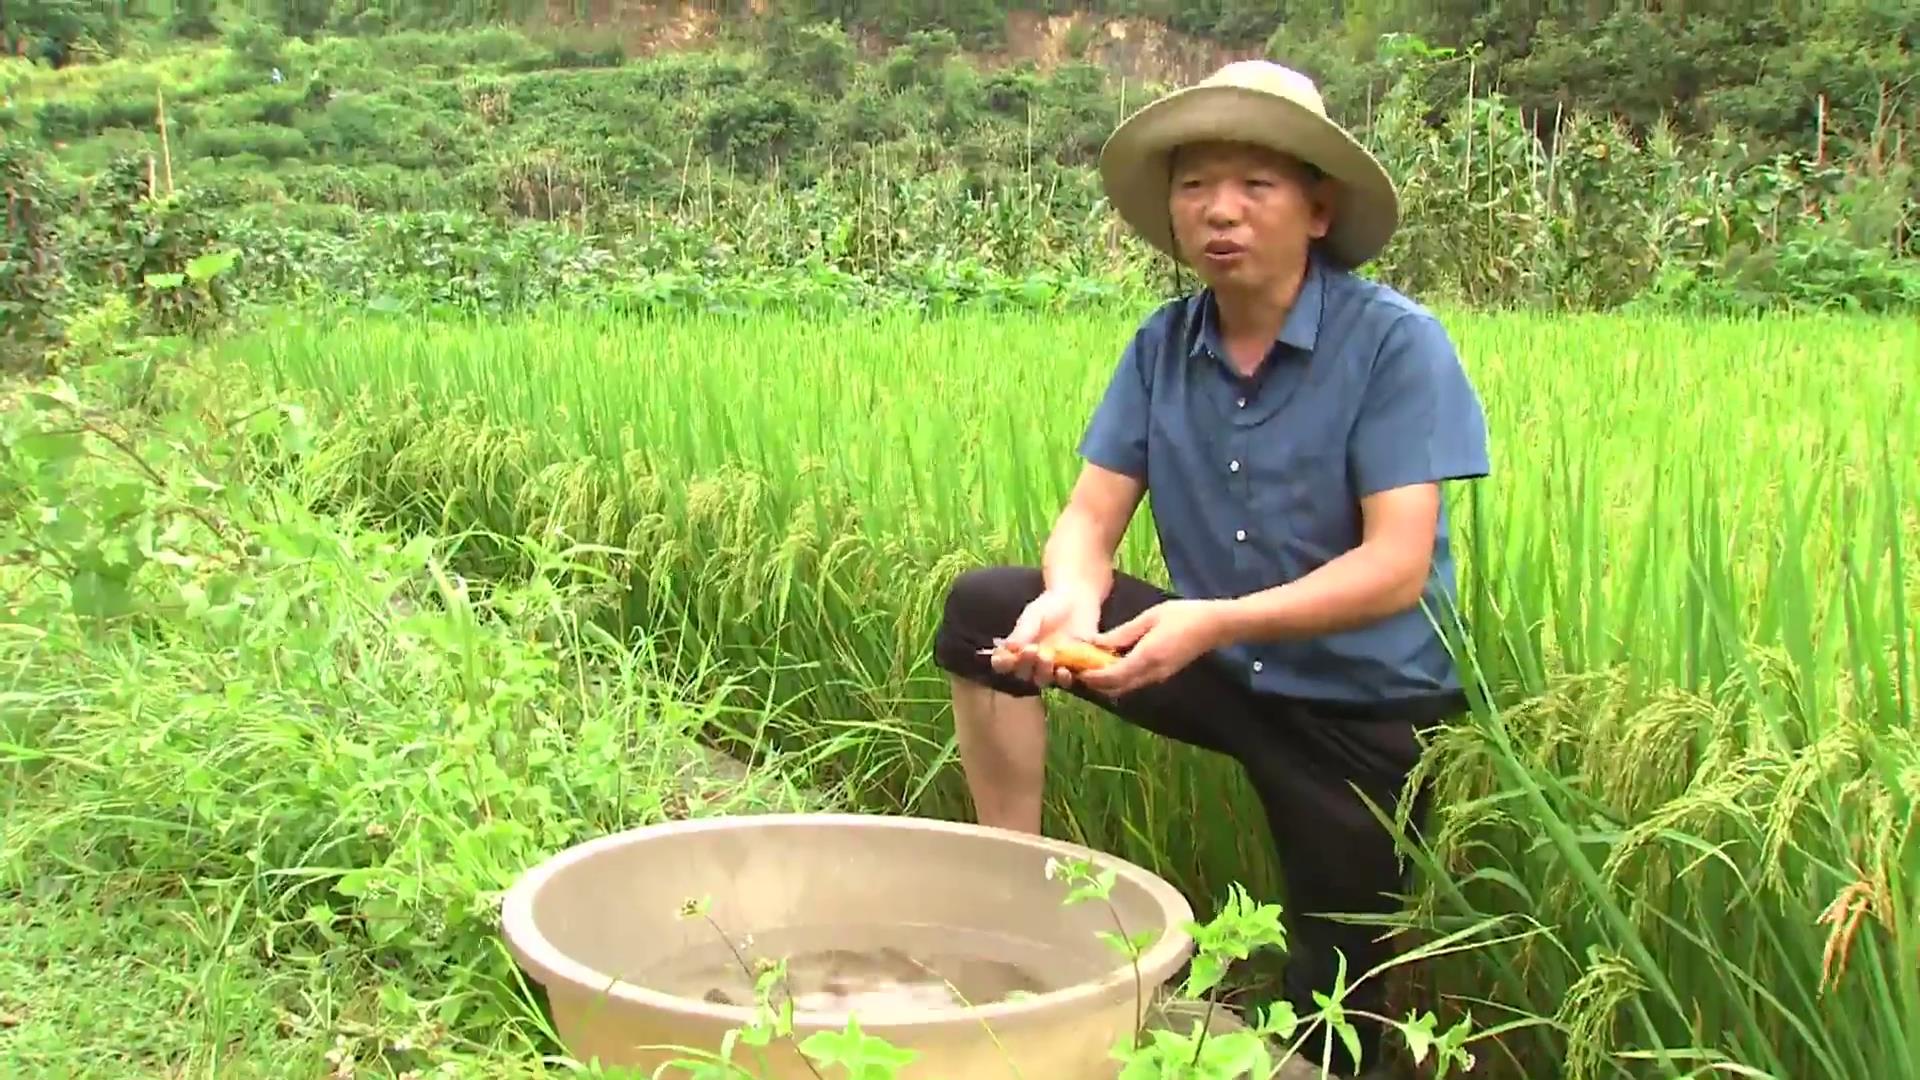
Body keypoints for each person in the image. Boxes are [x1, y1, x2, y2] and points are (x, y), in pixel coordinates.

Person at [929, 60, 1490, 1079]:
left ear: (1318, 209)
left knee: (1333, 1005)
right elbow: (1090, 516)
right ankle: (1013, 887)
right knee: (989, 611)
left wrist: (1216, 620)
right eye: (1194, 186)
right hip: (1221, 663)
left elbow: (1396, 567)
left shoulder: (1395, 345)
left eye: (1254, 185)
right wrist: (1072, 597)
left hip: (1363, 710)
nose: (1218, 210)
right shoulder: (1162, 344)